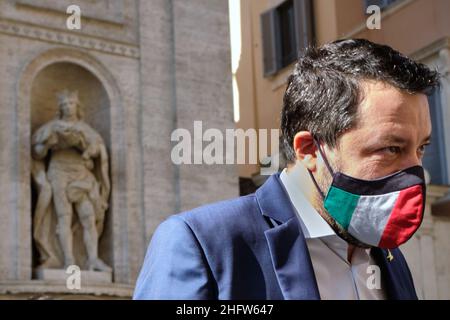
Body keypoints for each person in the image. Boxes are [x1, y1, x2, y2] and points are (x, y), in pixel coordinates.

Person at [133, 39, 439, 299]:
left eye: (421, 148)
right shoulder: (203, 245)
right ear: (309, 150)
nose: (415, 171)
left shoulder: (389, 257)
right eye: (391, 149)